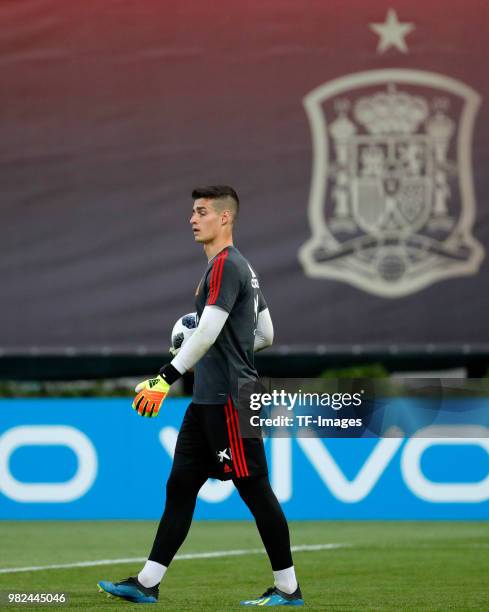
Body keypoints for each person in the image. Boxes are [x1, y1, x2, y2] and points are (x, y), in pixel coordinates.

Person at [98, 186, 303, 606]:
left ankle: (289, 589)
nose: (193, 219)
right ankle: (147, 583)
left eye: (202, 211)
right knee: (180, 487)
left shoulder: (227, 266)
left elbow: (208, 331)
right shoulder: (239, 268)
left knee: (255, 491)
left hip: (231, 398)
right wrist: (225, 348)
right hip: (209, 400)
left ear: (224, 218)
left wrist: (164, 377)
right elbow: (265, 334)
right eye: (192, 212)